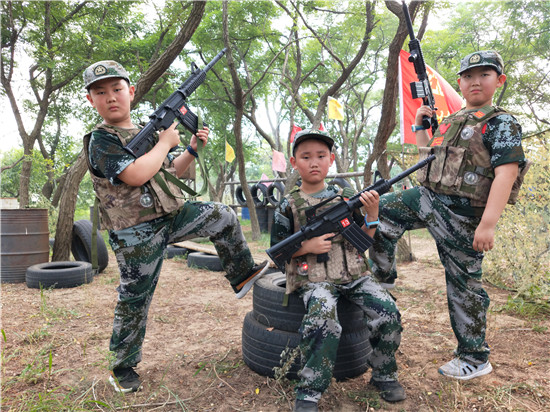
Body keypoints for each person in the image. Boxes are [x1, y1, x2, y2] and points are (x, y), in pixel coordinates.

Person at [82, 60, 269, 393]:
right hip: (134, 232)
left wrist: (191, 150)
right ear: (90, 100)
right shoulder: (101, 140)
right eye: (101, 92)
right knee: (135, 298)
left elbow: (173, 171)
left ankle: (241, 274)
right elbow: (136, 174)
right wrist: (166, 142)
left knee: (223, 214)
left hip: (170, 216)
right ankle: (123, 366)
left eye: (117, 89)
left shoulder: (149, 132)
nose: (111, 97)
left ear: (132, 92)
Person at [369, 50, 529, 380]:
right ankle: (380, 282)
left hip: (463, 216)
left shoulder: (501, 123)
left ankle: (474, 356)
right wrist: (420, 126)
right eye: (468, 76)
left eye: (484, 75)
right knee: (381, 211)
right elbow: (427, 160)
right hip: (430, 199)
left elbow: (506, 173)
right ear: (460, 81)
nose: (475, 81)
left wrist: (488, 224)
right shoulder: (451, 121)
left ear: (498, 81)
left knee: (463, 286)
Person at [270, 129, 405, 412]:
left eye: (321, 156)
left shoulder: (344, 199)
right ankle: (308, 392)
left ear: (331, 160)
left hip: (354, 275)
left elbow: (364, 242)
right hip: (314, 279)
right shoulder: (288, 205)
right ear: (294, 163)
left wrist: (372, 214)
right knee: (323, 322)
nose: (314, 162)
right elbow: (277, 252)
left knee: (388, 312)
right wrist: (306, 245)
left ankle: (384, 375)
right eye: (306, 157)